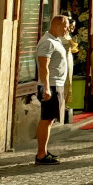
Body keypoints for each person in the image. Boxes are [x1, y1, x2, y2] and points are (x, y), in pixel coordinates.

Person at [34, 14, 70, 165]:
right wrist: (46, 87)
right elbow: (44, 66)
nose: (68, 28)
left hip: (57, 84)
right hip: (51, 85)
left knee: (49, 119)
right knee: (46, 119)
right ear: (56, 26)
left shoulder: (56, 40)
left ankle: (44, 151)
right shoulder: (47, 42)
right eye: (65, 26)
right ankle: (41, 154)